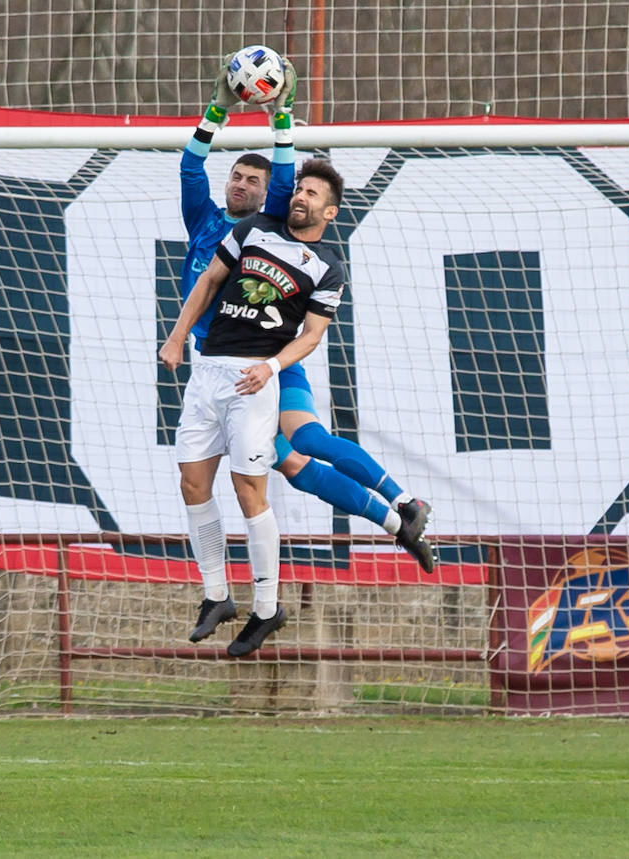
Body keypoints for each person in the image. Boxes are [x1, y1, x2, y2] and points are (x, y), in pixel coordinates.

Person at [174, 59, 435, 648]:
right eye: (235, 177)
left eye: (254, 180)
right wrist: (217, 108)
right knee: (292, 466)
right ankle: (400, 524)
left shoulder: (274, 226)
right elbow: (192, 163)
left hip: (267, 363)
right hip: (216, 368)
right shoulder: (207, 223)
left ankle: (403, 502)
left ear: (275, 193)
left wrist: (279, 114)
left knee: (306, 445)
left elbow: (290, 172)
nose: (241, 185)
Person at [160, 157, 352, 657]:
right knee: (192, 481)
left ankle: (267, 607)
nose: (301, 197)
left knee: (248, 489)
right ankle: (217, 595)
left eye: (312, 194)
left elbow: (312, 336)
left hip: (254, 379)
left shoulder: (328, 266)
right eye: (300, 189)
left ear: (328, 212)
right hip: (208, 371)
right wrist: (178, 338)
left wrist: (271, 367)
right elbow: (207, 283)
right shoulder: (251, 228)